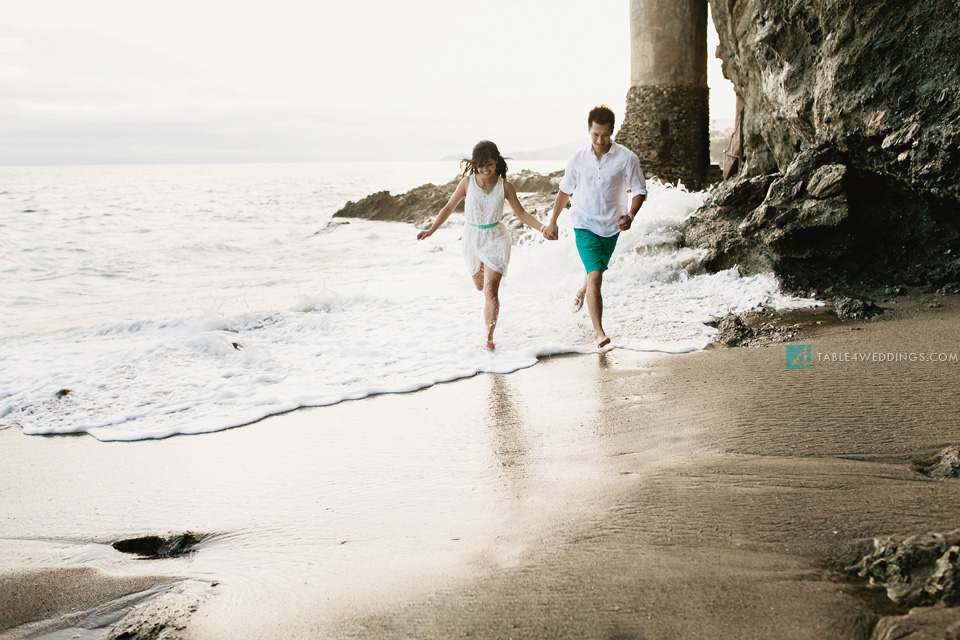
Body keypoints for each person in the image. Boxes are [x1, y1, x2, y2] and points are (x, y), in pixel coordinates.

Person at [417, 140, 546, 350]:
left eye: (489, 164)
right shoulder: (467, 183)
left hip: (496, 238)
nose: (485, 169)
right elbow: (449, 207)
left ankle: (489, 336)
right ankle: (492, 318)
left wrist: (542, 228)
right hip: (472, 238)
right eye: (481, 165)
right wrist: (431, 230)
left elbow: (521, 213)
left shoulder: (505, 186)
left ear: (497, 161)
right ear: (475, 164)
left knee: (491, 289)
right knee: (480, 286)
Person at [542, 105, 647, 348]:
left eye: (605, 135)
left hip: (612, 228)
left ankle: (583, 290)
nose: (600, 140)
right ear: (589, 130)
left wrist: (630, 215)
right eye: (595, 134)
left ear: (612, 131)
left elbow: (639, 190)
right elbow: (565, 190)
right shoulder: (577, 158)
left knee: (594, 273)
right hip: (583, 223)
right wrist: (553, 221)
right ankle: (598, 332)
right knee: (597, 275)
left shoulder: (627, 158)